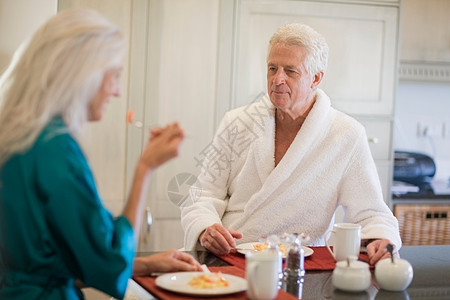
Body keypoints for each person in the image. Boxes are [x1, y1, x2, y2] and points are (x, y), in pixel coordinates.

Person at [0, 9, 201, 300]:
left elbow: (55, 260)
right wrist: (145, 168)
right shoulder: (57, 152)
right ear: (84, 73)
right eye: (115, 75)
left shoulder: (21, 138)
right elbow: (110, 264)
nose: (118, 91)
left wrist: (146, 264)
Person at [181, 23, 402, 265]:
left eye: (290, 71)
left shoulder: (346, 135)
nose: (277, 79)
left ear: (316, 78)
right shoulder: (237, 123)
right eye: (272, 68)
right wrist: (205, 228)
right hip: (230, 256)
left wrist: (380, 238)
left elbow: (371, 213)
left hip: (302, 265)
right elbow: (201, 195)